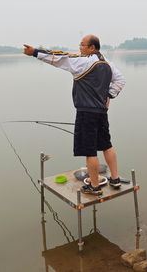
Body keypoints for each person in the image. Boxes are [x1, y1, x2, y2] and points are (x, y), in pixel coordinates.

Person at [23, 35, 126, 195]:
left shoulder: (83, 62)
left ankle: (94, 186)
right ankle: (115, 179)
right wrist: (109, 96)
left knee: (90, 151)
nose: (80, 47)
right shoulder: (108, 64)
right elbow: (120, 80)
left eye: (83, 45)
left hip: (86, 113)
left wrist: (35, 52)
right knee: (107, 145)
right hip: (101, 113)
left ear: (92, 47)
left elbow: (59, 58)